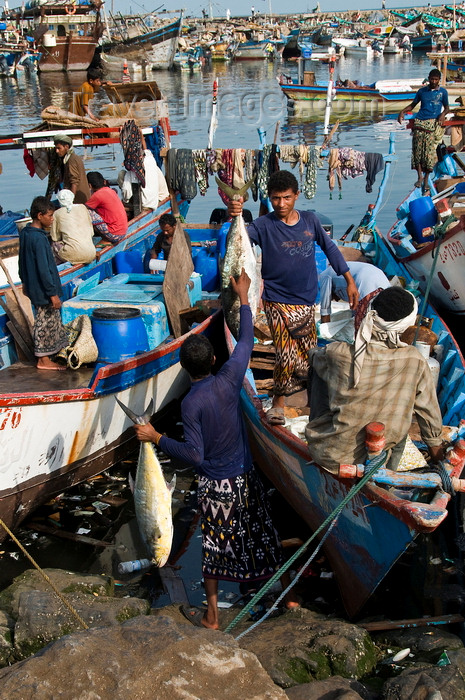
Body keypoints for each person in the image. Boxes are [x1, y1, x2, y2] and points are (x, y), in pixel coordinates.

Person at [133, 269, 299, 629]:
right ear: (212, 361)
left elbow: (193, 455)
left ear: (184, 367)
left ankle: (212, 616)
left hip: (216, 486)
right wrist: (243, 298)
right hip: (246, 476)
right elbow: (245, 341)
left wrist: (155, 437)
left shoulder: (191, 404)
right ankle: (288, 598)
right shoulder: (230, 377)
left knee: (216, 549)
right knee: (263, 536)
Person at [228, 170, 359, 426]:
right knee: (286, 353)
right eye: (276, 198)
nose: (281, 204)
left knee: (308, 355)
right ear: (270, 198)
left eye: (286, 198)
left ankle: (313, 401)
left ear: (296, 196)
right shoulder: (264, 225)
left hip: (306, 300)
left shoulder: (310, 221)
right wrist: (234, 215)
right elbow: (237, 241)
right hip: (277, 300)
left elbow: (330, 249)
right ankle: (278, 403)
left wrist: (350, 280)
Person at [305, 286, 444, 473]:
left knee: (318, 366)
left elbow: (313, 355)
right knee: (400, 427)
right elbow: (428, 412)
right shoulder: (415, 359)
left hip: (333, 455)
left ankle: (317, 422)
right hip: (384, 460)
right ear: (406, 324)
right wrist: (438, 458)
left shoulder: (338, 353)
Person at [18, 196, 68, 372]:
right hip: (44, 290)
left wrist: (24, 281)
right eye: (50, 215)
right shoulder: (39, 239)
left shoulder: (25, 233)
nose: (52, 218)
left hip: (33, 286)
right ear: (40, 215)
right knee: (44, 322)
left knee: (51, 321)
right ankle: (43, 359)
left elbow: (21, 261)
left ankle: (51, 353)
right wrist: (52, 293)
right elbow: (43, 269)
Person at [397, 69, 449, 195]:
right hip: (420, 122)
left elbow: (447, 108)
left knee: (429, 154)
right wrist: (402, 112)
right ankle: (419, 177)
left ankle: (426, 179)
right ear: (429, 78)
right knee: (417, 152)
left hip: (432, 124)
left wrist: (442, 114)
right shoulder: (422, 91)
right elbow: (413, 105)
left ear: (439, 80)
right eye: (432, 79)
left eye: (436, 80)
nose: (434, 82)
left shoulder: (442, 92)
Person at [319, 260, 390, 323]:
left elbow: (325, 311)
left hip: (365, 281)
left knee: (360, 321)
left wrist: (323, 329)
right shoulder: (347, 267)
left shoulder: (325, 276)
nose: (336, 300)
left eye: (332, 298)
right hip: (381, 278)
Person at [49, 189, 96, 265]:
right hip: (91, 253)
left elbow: (55, 238)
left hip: (74, 255)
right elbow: (91, 233)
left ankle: (58, 266)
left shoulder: (57, 213)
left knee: (54, 244)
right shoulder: (83, 207)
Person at [85, 171, 128, 244]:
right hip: (123, 231)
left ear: (90, 185)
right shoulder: (109, 190)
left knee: (87, 212)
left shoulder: (97, 195)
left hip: (114, 234)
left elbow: (84, 209)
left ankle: (104, 239)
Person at [54, 134, 91, 205]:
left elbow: (74, 181)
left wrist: (70, 201)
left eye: (59, 148)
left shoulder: (71, 160)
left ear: (66, 147)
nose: (57, 151)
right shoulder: (71, 158)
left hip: (78, 200)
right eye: (56, 148)